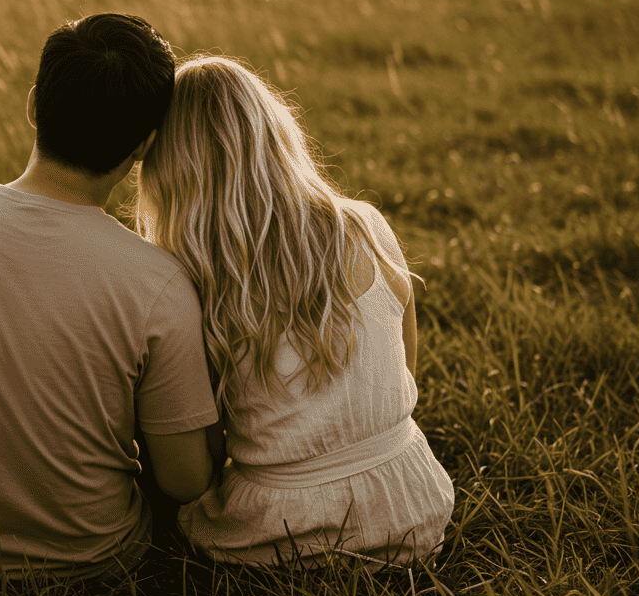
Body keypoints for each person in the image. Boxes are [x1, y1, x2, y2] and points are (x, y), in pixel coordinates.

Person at [0, 14, 222, 582]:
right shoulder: (161, 281)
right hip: (98, 564)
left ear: (33, 105)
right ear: (146, 145)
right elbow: (185, 481)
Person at [134, 55, 455, 569]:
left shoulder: (186, 275)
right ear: (276, 134)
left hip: (279, 530)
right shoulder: (364, 226)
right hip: (410, 508)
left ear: (168, 168)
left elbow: (198, 449)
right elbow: (405, 365)